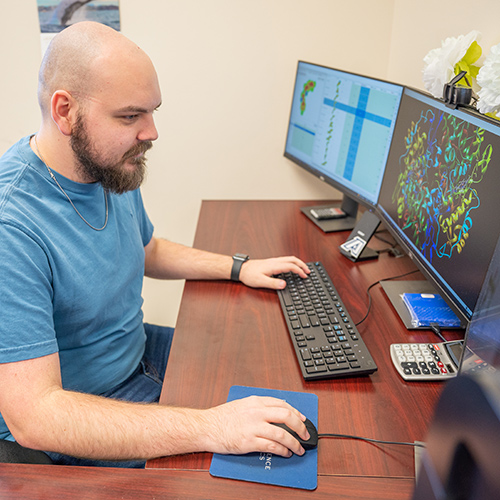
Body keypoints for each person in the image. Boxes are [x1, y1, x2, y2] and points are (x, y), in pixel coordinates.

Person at [0, 21, 312, 467]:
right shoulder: (12, 226)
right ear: (65, 111)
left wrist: (239, 267)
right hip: (81, 419)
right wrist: (211, 427)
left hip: (138, 357)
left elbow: (146, 250)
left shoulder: (110, 166)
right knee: (247, 468)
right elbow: (36, 416)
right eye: (130, 116)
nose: (151, 132)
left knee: (273, 379)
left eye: (152, 112)